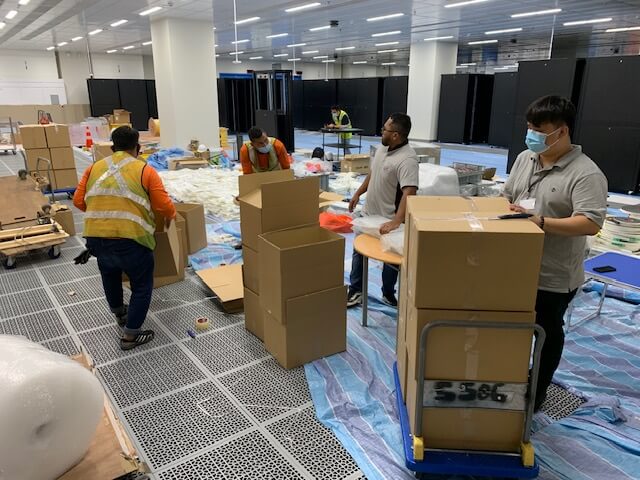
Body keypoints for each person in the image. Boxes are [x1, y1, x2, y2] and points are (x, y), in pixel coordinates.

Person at [503, 95, 607, 410]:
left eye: (538, 129)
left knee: (547, 334)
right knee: (513, 329)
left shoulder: (586, 174)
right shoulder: (525, 158)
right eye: (529, 127)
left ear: (561, 132)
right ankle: (508, 377)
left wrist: (542, 222)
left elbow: (590, 222)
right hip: (514, 267)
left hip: (553, 274)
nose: (530, 134)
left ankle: (538, 390)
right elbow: (507, 193)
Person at [73, 126, 176, 351]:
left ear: (112, 147)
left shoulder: (93, 169)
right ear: (138, 147)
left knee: (110, 275)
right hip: (131, 240)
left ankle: (120, 314)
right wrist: (171, 216)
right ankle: (130, 337)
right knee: (141, 286)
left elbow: (79, 201)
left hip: (96, 239)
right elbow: (163, 205)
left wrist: (103, 215)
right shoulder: (144, 170)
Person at [347, 113, 419, 308]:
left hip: (388, 218)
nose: (381, 131)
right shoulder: (382, 148)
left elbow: (409, 192)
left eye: (384, 129)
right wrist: (358, 193)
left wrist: (396, 221)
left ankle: (388, 293)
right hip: (369, 213)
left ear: (395, 135)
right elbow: (373, 173)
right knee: (358, 251)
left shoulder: (407, 160)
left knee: (390, 259)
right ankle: (356, 290)